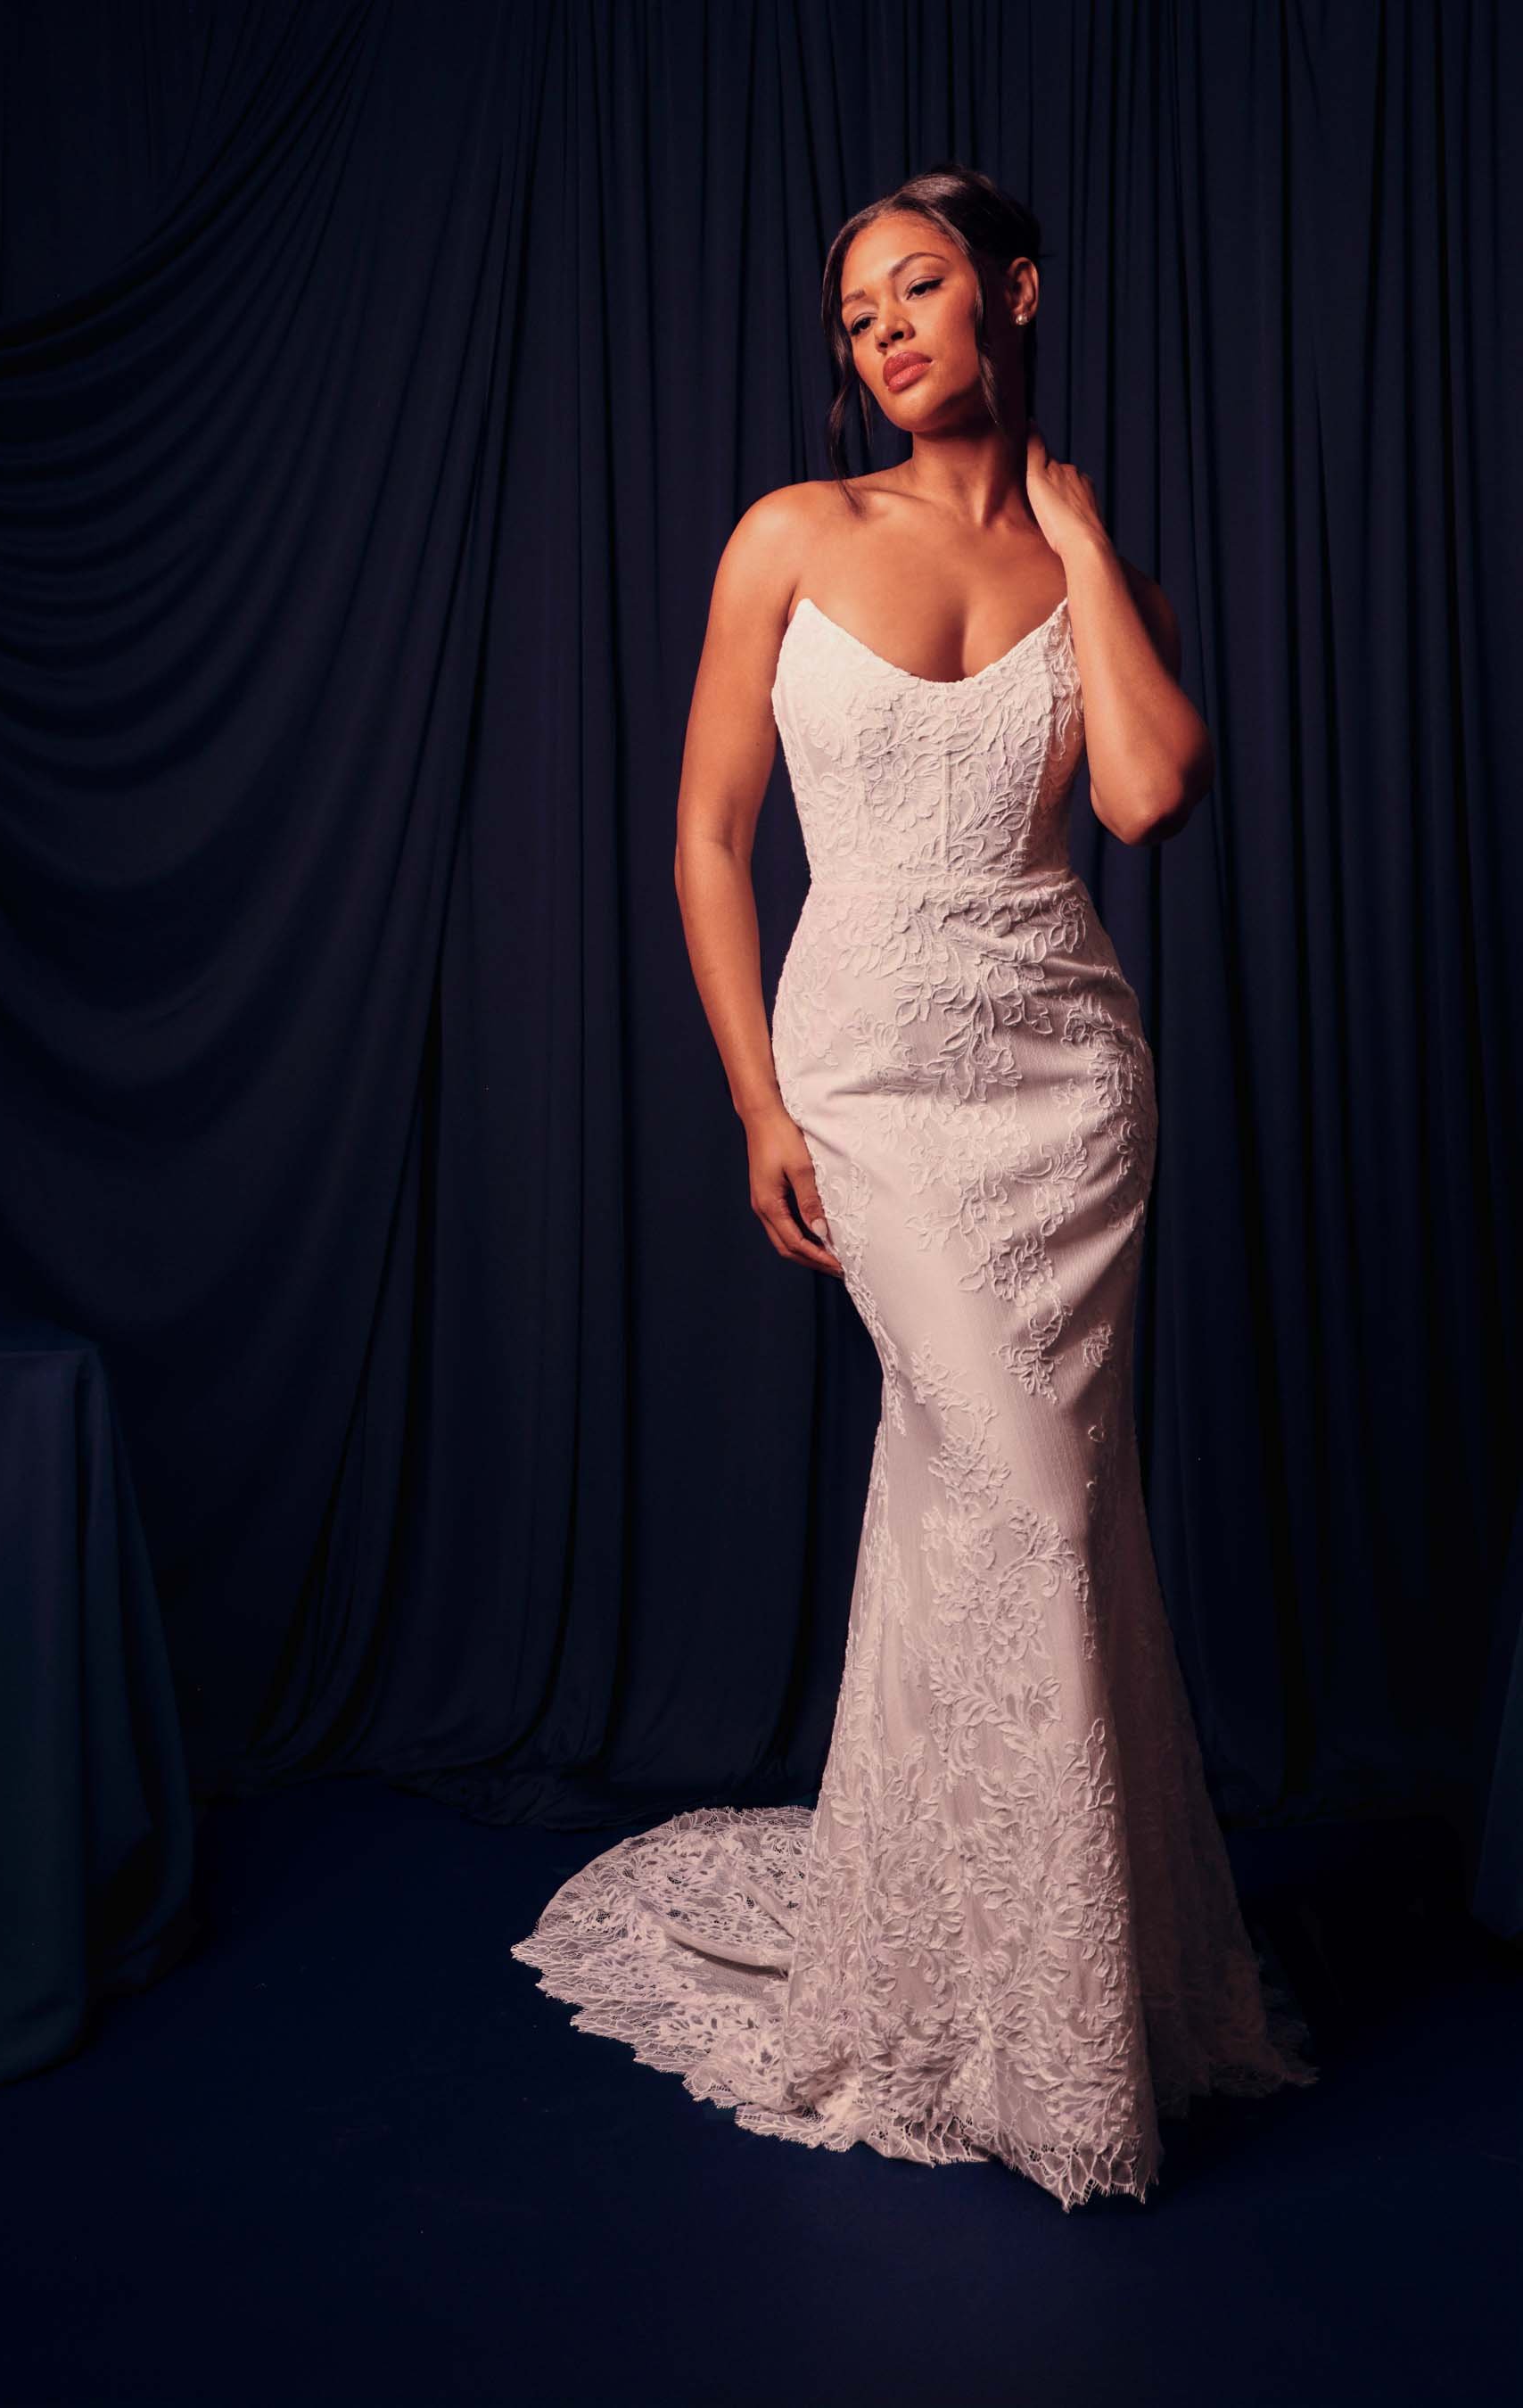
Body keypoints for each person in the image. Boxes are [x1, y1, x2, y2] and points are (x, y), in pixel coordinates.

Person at [511, 161, 1318, 2213]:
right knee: (1027, 1498)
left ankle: (1020, 1969)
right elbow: (706, 841)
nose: (879, 328)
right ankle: (1010, 2008)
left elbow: (1145, 791)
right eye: (855, 303)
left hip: (1069, 1088)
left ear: (1013, 295)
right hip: (868, 1077)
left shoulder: (1064, 550)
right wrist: (758, 1104)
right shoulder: (788, 536)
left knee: (1023, 1503)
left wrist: (1084, 526)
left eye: (922, 286)